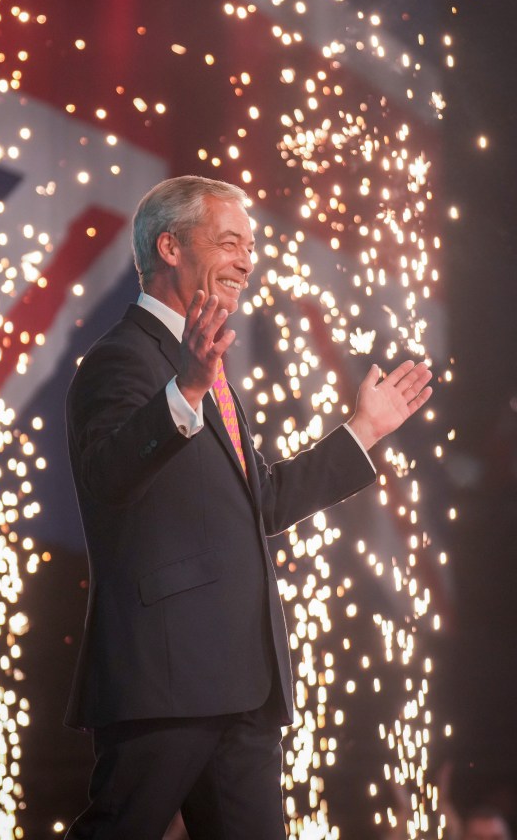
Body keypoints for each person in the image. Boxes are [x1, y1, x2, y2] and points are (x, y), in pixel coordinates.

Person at [64, 175, 433, 839]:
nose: (246, 259)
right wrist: (185, 392)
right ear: (170, 247)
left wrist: (363, 433)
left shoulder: (203, 366)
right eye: (229, 241)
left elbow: (261, 501)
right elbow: (106, 473)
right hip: (169, 679)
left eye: (251, 246)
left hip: (246, 683)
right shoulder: (122, 360)